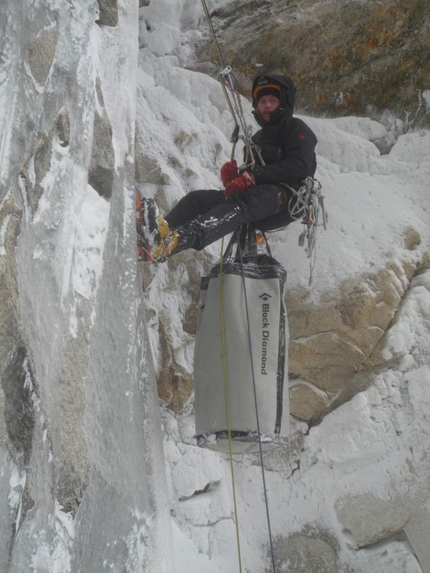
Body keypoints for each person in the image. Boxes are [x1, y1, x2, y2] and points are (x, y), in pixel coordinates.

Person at [151, 74, 318, 260]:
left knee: (246, 202)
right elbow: (253, 177)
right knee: (196, 199)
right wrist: (234, 178)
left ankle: (180, 238)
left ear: (283, 104)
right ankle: (159, 235)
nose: (267, 105)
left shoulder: (296, 127)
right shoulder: (256, 140)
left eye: (273, 100)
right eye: (262, 101)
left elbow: (301, 165)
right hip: (257, 199)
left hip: (288, 197)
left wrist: (252, 177)